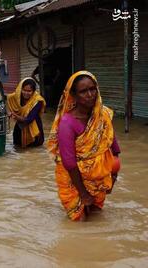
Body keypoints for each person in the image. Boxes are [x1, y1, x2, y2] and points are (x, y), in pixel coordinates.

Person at [46, 71, 121, 221]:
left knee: (97, 217)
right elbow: (69, 163)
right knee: (78, 221)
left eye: (92, 89)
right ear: (73, 95)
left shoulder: (103, 115)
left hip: (98, 179)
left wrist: (112, 177)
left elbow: (113, 147)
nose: (90, 94)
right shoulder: (67, 123)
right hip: (73, 181)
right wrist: (84, 194)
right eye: (83, 91)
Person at [7, 78, 46, 148]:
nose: (26, 93)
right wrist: (9, 112)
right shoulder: (17, 97)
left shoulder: (37, 101)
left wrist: (15, 116)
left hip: (34, 131)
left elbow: (29, 119)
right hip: (19, 128)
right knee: (17, 147)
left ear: (33, 91)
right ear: (20, 89)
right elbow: (9, 98)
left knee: (34, 150)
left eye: (29, 91)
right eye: (24, 90)